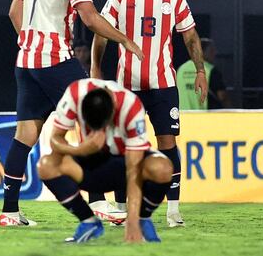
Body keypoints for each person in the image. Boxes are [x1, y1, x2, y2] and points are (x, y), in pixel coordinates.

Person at [0, 0, 144, 227]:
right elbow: (90, 19)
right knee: (99, 117)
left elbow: (13, 12)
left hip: (26, 61)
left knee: (24, 136)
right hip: (55, 60)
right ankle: (100, 201)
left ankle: (9, 211)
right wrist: (126, 41)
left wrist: (30, 40)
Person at [90, 0, 208, 228]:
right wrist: (94, 68)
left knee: (167, 144)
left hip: (163, 85)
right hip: (126, 86)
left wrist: (200, 70)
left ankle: (174, 211)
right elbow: (102, 32)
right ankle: (120, 208)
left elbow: (190, 36)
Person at [37, 79, 173, 243]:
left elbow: (133, 167)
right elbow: (55, 139)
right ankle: (89, 222)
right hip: (93, 163)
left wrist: (132, 219)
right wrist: (79, 150)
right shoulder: (74, 94)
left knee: (162, 167)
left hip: (126, 162)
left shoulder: (130, 105)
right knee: (47, 165)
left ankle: (142, 219)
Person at [178, 37, 231, 110]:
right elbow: (222, 96)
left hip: (183, 115)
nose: (214, 54)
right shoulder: (211, 70)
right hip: (203, 116)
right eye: (211, 51)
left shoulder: (181, 69)